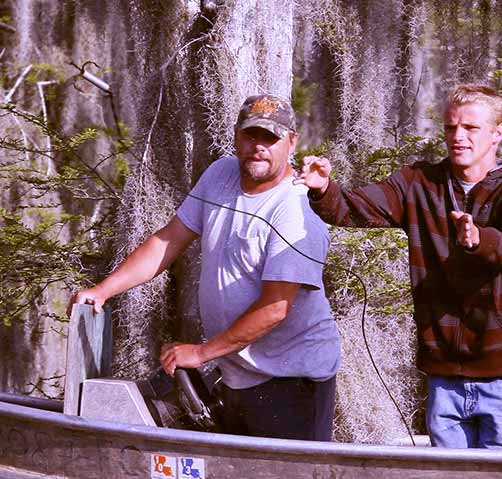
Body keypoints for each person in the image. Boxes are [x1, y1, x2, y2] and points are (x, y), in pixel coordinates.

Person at [68, 94, 341, 441]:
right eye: (250, 135)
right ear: (236, 135)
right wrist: (102, 290)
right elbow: (169, 240)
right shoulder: (220, 174)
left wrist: (201, 353)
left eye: (270, 138)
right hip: (237, 373)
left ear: (291, 143)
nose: (258, 147)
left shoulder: (296, 209)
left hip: (292, 382)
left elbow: (276, 308)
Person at [295, 84, 502, 449]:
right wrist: (322, 189)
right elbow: (349, 208)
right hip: (443, 375)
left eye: (471, 128)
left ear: (497, 133)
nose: (458, 137)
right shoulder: (418, 184)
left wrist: (479, 240)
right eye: (450, 128)